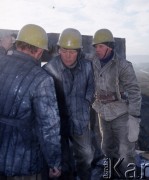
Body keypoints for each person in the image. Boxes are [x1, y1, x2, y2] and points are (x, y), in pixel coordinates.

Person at [0, 24, 61, 180]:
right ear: (40, 51)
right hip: (23, 161)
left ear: (18, 44)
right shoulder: (42, 79)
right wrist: (54, 162)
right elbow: (49, 127)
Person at [44, 28, 94, 180]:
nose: (68, 55)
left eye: (72, 52)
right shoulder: (49, 69)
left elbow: (91, 87)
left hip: (80, 118)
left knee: (86, 156)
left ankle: (84, 177)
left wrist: (86, 102)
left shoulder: (87, 67)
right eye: (64, 51)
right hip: (58, 121)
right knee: (62, 160)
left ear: (79, 52)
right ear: (59, 49)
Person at [91, 29, 142, 179]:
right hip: (102, 112)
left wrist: (134, 116)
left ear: (109, 47)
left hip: (122, 114)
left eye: (101, 46)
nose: (97, 50)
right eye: (96, 46)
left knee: (126, 152)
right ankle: (109, 174)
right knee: (106, 148)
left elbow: (134, 91)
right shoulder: (93, 63)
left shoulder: (123, 65)